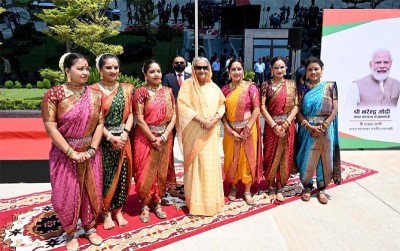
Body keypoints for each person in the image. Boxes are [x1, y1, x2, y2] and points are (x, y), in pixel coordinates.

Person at [41, 53, 104, 251]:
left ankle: (89, 226)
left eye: (87, 68)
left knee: (90, 190)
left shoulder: (95, 94)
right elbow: (51, 128)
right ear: (67, 70)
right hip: (64, 154)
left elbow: (100, 124)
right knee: (66, 193)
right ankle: (70, 232)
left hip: (90, 153)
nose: (85, 72)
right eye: (80, 68)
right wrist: (71, 153)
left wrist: (92, 149)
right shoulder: (54, 95)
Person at [177, 57, 226, 216]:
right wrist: (202, 120)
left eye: (205, 67)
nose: (202, 71)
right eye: (198, 67)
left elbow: (222, 104)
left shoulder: (214, 87)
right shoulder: (187, 86)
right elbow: (182, 107)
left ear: (209, 68)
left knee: (210, 165)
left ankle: (212, 201)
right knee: (196, 166)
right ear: (193, 69)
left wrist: (215, 118)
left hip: (211, 133)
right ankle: (196, 203)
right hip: (195, 131)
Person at [91, 54, 134, 230]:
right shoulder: (93, 90)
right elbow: (94, 120)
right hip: (103, 140)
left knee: (123, 175)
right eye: (108, 67)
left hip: (123, 140)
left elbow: (130, 113)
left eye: (116, 67)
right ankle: (106, 211)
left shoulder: (126, 89)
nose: (113, 70)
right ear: (100, 70)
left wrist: (124, 133)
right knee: (105, 176)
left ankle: (118, 210)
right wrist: (110, 137)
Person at [133, 60, 176, 223]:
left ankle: (157, 201)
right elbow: (139, 117)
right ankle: (145, 204)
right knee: (145, 171)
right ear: (145, 75)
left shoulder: (168, 91)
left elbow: (174, 115)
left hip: (165, 137)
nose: (157, 74)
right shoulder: (141, 92)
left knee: (161, 170)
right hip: (146, 137)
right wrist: (153, 138)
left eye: (159, 71)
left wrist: (164, 136)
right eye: (152, 71)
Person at [296, 57, 341, 205]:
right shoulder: (302, 88)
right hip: (308, 129)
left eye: (316, 69)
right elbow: (298, 111)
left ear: (322, 70)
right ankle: (307, 187)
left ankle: (322, 188)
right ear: (306, 72)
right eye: (310, 70)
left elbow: (334, 108)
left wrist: (325, 125)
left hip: (326, 129)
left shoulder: (330, 86)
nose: (313, 72)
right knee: (306, 157)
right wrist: (308, 126)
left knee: (324, 158)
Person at [221, 59, 262, 205]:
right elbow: (222, 113)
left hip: (248, 131)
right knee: (231, 159)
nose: (237, 72)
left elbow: (257, 108)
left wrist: (248, 128)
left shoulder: (251, 87)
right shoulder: (224, 90)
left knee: (247, 159)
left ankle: (247, 190)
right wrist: (229, 129)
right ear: (229, 72)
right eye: (233, 69)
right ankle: (233, 186)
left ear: (243, 71)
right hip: (231, 132)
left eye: (239, 69)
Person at [260, 56, 298, 203]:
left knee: (286, 155)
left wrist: (286, 123)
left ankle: (280, 187)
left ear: (286, 68)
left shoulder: (292, 85)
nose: (279, 70)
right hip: (271, 127)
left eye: (282, 67)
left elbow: (296, 105)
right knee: (269, 155)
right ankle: (270, 186)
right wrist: (275, 125)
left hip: (288, 126)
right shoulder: (266, 85)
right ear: (271, 69)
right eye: (276, 67)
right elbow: (262, 107)